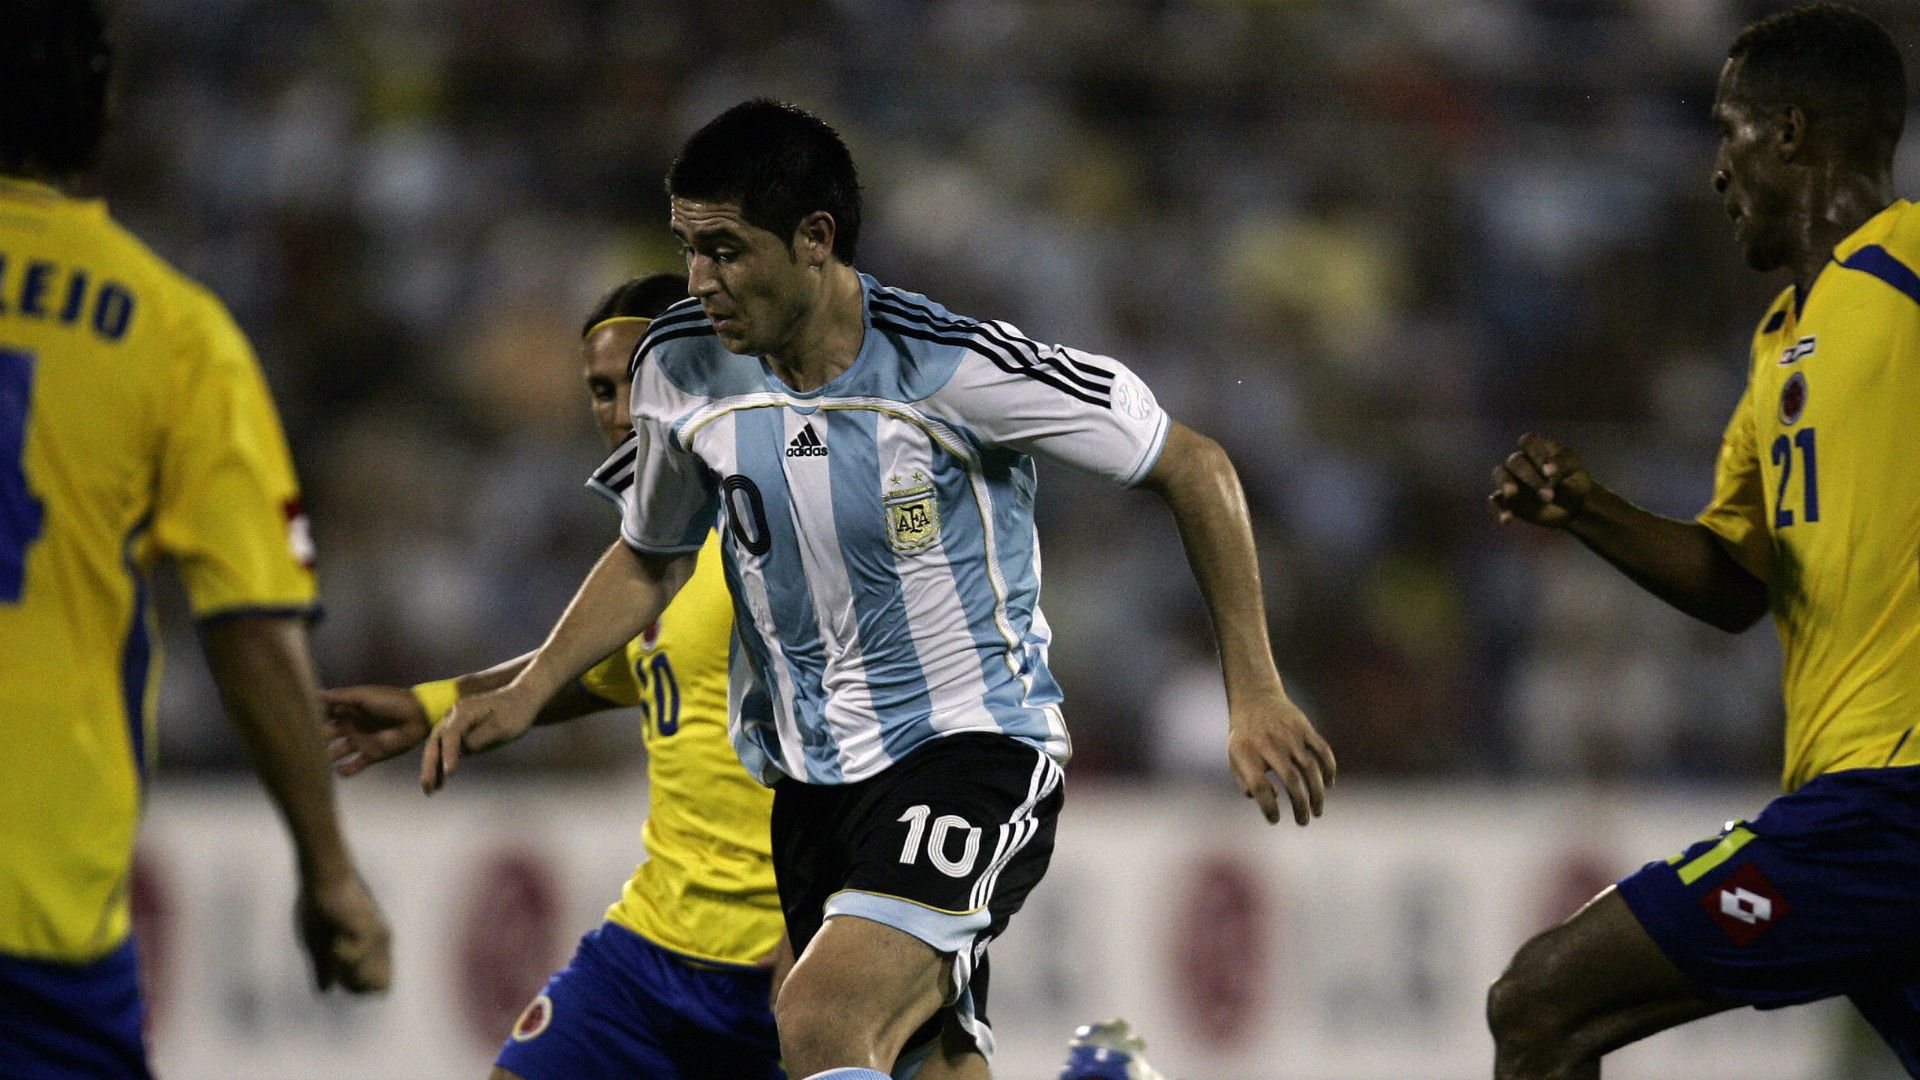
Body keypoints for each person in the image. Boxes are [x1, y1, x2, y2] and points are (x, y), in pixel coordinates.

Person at [426, 99, 1336, 1080]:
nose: (699, 282)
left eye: (726, 251)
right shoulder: (681, 368)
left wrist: (1255, 690)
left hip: (969, 753)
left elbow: (1194, 465)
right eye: (688, 249)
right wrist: (526, 690)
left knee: (820, 1020)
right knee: (912, 1065)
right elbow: (650, 555)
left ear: (815, 239)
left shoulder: (952, 368)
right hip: (811, 790)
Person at [1486, 5, 1920, 1077]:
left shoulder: (1912, 262)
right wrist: (1585, 508)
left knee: (1541, 1003)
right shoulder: (1779, 345)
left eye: (1728, 132)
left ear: (1791, 131)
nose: (1718, 170)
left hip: (1892, 800)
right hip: (1851, 800)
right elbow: (1734, 584)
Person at [0, 3, 391, 1076]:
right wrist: (328, 869)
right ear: (102, 119)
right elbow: (253, 629)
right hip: (36, 902)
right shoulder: (174, 333)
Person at [323, 273, 789, 1079]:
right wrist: (430, 706)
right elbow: (601, 673)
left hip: (786, 958)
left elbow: (894, 735)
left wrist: (828, 930)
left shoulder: (785, 528)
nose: (618, 413)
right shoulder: (659, 553)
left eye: (637, 382)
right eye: (600, 391)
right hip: (653, 951)